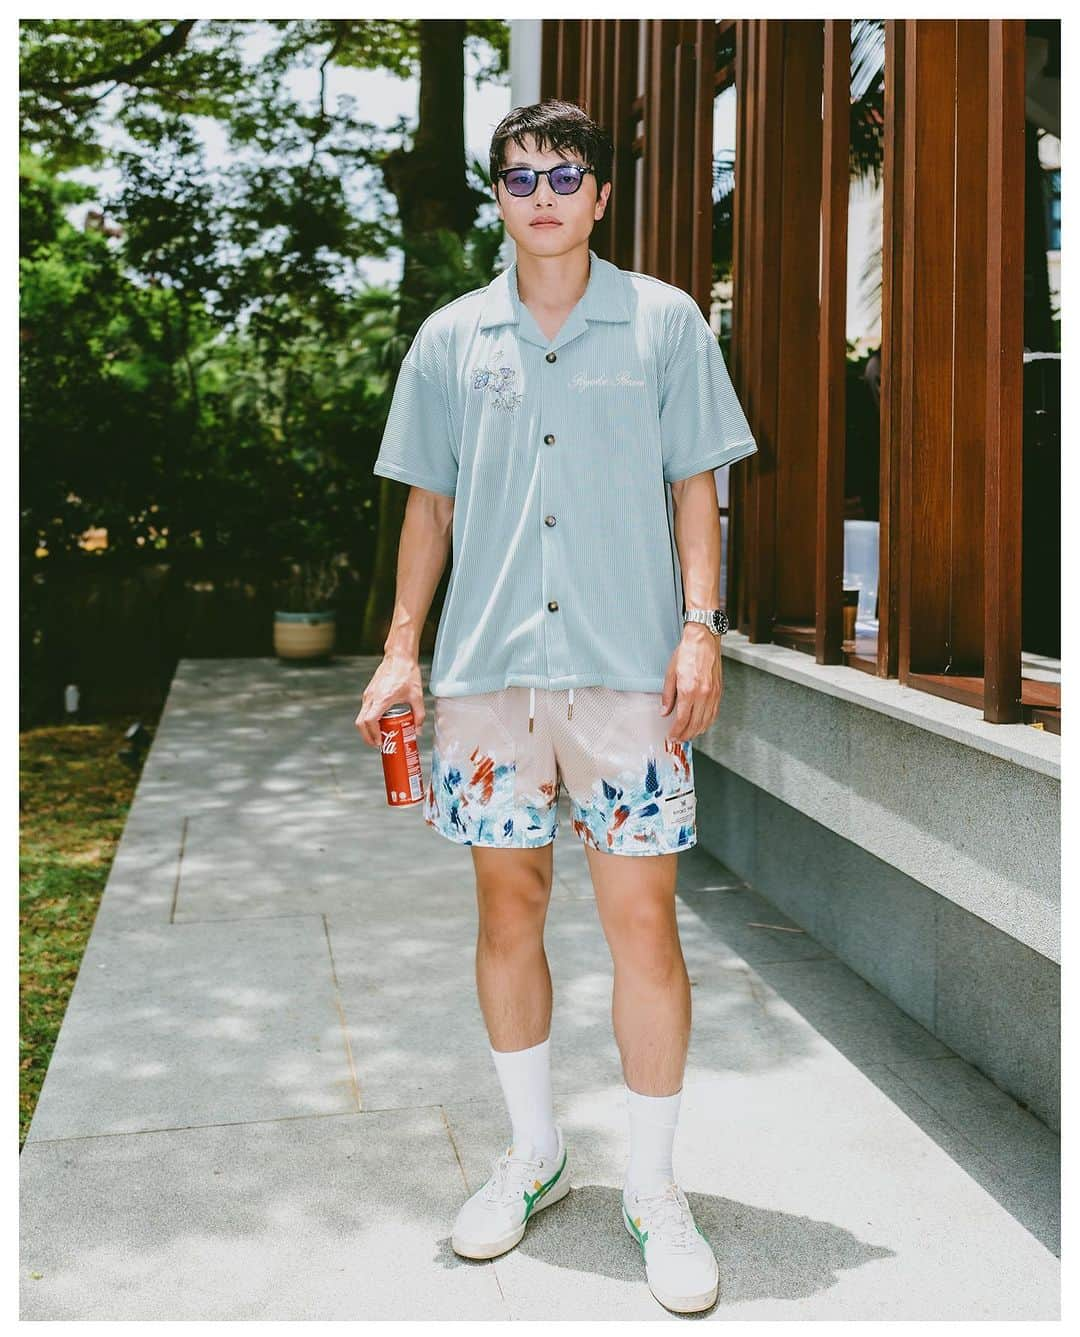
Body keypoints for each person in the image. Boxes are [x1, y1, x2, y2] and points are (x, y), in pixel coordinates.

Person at [356, 99, 757, 1315]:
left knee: (644, 925)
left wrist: (700, 626)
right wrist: (398, 652)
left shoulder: (667, 324)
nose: (541, 193)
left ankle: (655, 1186)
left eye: (563, 173)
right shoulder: (448, 336)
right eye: (519, 175)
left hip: (629, 673)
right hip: (487, 680)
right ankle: (534, 1152)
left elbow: (699, 487)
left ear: (600, 195)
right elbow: (426, 510)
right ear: (498, 195)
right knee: (507, 905)